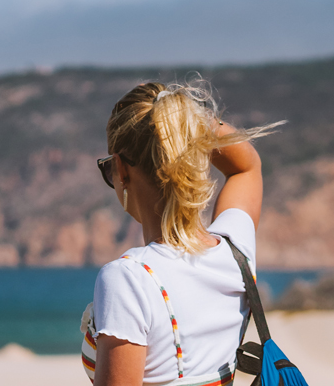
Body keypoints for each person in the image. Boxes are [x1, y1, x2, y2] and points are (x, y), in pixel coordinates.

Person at [81, 81, 281, 386]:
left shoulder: (129, 279)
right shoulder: (235, 252)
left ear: (121, 170)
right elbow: (246, 167)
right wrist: (187, 118)